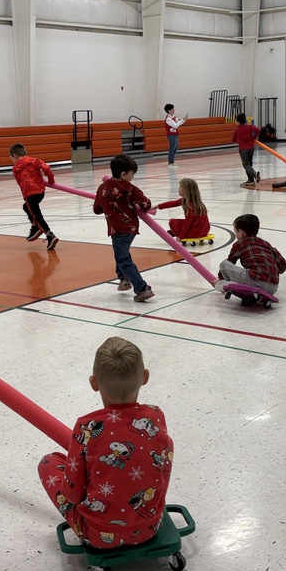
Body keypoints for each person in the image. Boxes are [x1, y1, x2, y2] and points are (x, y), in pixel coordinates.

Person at [38, 336, 173, 549]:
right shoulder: (155, 417)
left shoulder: (87, 427)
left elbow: (72, 495)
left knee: (49, 462)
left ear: (93, 383)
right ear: (145, 377)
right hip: (150, 526)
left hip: (98, 534)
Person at [94, 154, 154, 302]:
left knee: (123, 258)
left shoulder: (103, 188)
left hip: (116, 229)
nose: (133, 177)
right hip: (130, 228)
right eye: (132, 174)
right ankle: (124, 278)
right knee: (121, 254)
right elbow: (146, 204)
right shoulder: (131, 189)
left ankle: (141, 288)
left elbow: (97, 209)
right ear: (123, 174)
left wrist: (106, 202)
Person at [214, 214, 286, 302]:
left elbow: (230, 262)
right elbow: (283, 266)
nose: (236, 234)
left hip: (255, 281)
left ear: (241, 232)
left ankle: (222, 286)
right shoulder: (266, 244)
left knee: (224, 264)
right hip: (273, 287)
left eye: (235, 232)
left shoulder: (240, 243)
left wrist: (220, 279)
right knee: (247, 272)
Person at [9, 143, 58, 250]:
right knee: (26, 207)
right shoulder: (34, 160)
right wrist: (51, 180)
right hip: (40, 192)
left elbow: (20, 183)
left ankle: (50, 235)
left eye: (11, 158)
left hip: (30, 194)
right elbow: (46, 168)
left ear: (15, 156)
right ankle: (35, 226)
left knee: (37, 215)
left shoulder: (16, 168)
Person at [231, 114, 261, 187]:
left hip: (243, 148)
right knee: (250, 163)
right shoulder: (250, 127)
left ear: (238, 121)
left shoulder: (237, 130)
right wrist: (254, 137)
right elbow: (258, 130)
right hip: (251, 147)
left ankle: (254, 174)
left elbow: (233, 140)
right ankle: (250, 180)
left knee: (246, 164)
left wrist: (239, 140)